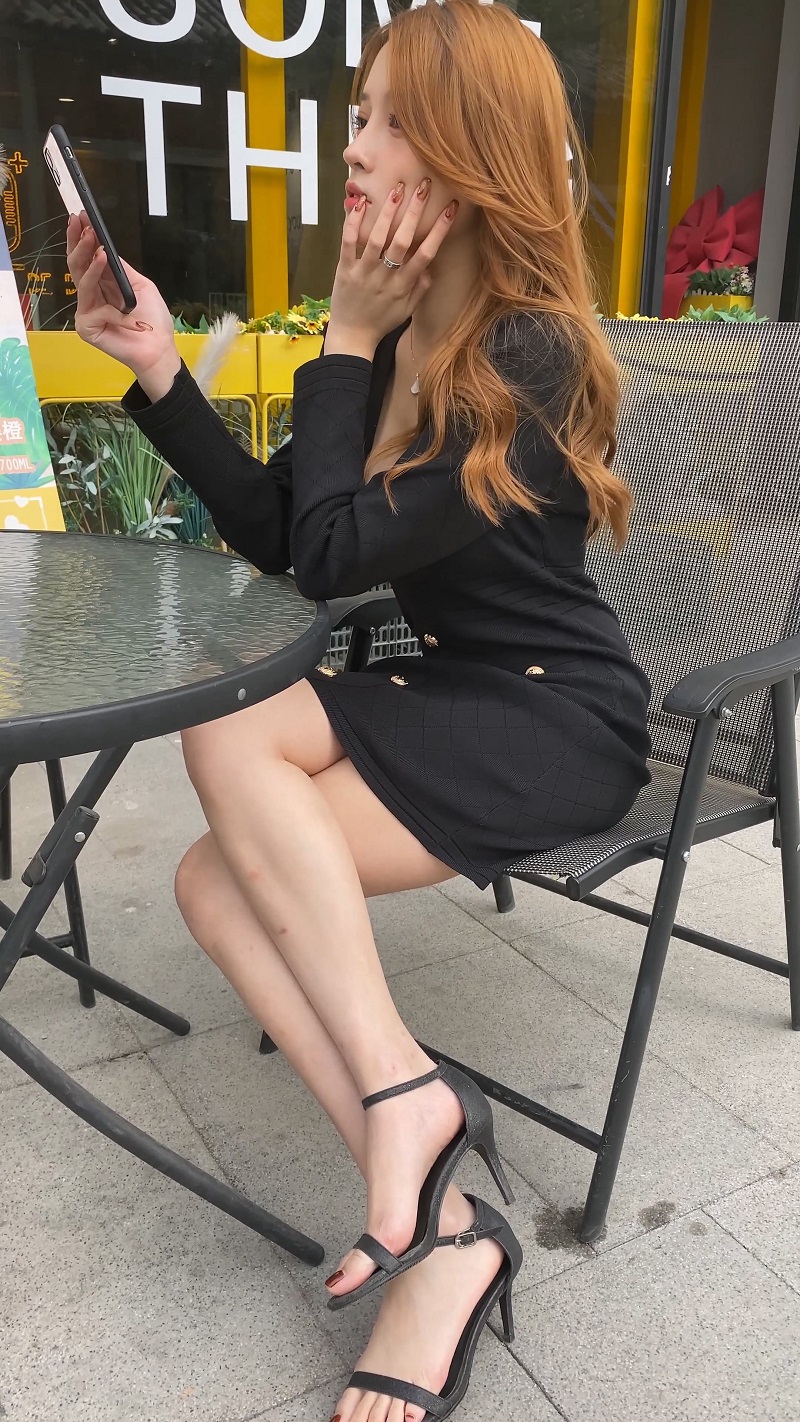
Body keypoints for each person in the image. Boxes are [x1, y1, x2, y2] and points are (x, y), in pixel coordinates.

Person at [69, 3, 652, 1418]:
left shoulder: (532, 352)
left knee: (228, 758)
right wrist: (160, 370)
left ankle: (414, 1128)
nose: (355, 150)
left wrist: (340, 334)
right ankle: (440, 1198)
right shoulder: (397, 344)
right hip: (446, 684)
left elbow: (329, 559)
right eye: (357, 117)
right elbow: (290, 529)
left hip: (559, 719)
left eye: (388, 120)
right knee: (211, 869)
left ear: (469, 150)